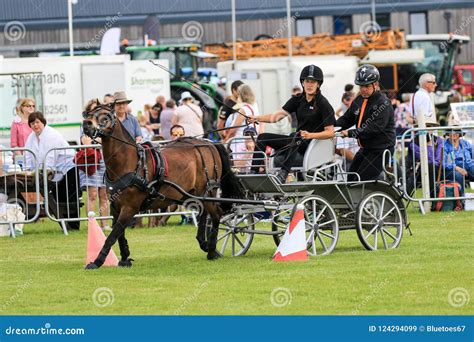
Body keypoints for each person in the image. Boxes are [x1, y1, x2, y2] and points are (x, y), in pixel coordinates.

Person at [250, 65, 335, 183]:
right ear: (303, 83)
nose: (309, 85)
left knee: (297, 136)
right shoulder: (297, 99)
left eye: (313, 82)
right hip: (296, 141)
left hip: (313, 144)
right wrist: (257, 118)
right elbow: (276, 117)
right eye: (307, 81)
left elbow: (330, 132)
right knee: (262, 138)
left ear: (318, 84)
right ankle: (253, 173)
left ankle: (283, 174)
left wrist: (310, 135)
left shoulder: (323, 104)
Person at [336, 64, 396, 181]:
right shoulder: (359, 100)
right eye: (361, 86)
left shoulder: (383, 103)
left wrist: (351, 133)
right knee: (351, 178)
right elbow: (347, 119)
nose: (363, 89)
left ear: (376, 84)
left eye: (366, 86)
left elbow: (374, 128)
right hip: (365, 148)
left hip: (380, 149)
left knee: (361, 181)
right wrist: (331, 125)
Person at [24, 111, 81, 230]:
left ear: (43, 122)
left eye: (37, 122)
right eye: (32, 123)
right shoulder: (31, 137)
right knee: (57, 197)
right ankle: (65, 225)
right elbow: (28, 155)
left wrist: (44, 172)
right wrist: (28, 170)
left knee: (69, 197)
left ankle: (74, 226)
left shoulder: (51, 135)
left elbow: (50, 157)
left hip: (68, 168)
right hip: (55, 171)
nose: (35, 125)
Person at [79, 99, 111, 231]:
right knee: (92, 194)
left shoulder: (105, 124)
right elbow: (84, 140)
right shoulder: (85, 124)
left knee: (104, 195)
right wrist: (98, 140)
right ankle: (92, 225)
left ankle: (105, 224)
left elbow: (107, 140)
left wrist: (95, 140)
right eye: (93, 109)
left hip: (104, 160)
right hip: (91, 160)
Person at [443, 127, 474, 195]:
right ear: (448, 133)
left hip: (468, 167)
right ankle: (461, 200)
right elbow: (443, 163)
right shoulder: (444, 145)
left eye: (456, 132)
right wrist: (456, 168)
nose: (454, 134)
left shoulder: (466, 143)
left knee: (471, 167)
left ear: (460, 134)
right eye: (451, 132)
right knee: (458, 175)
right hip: (452, 169)